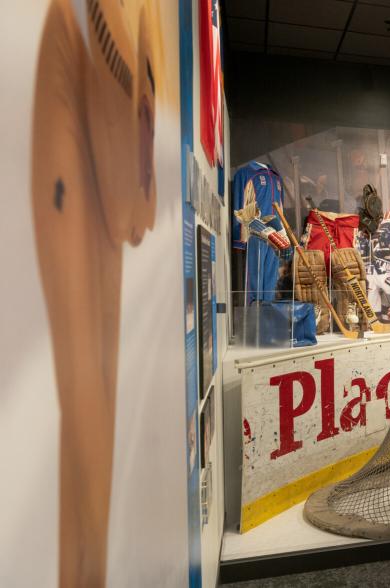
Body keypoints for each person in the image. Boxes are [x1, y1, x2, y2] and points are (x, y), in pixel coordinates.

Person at [31, 1, 160, 584]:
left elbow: (145, 67)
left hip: (110, 160)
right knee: (85, 401)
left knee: (95, 403)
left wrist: (140, 188)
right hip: (79, 106)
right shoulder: (71, 21)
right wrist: (136, 193)